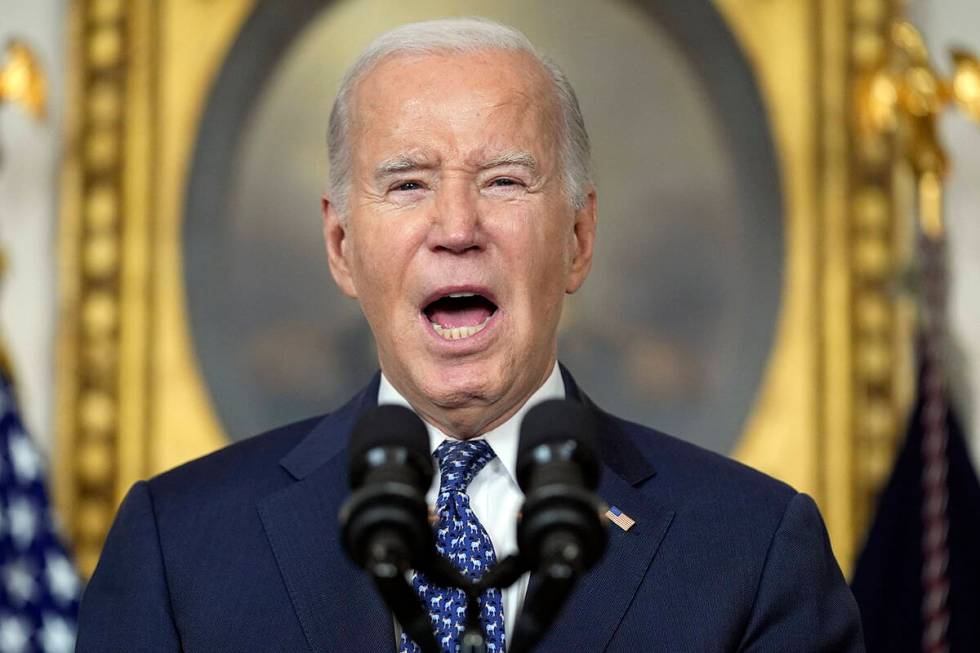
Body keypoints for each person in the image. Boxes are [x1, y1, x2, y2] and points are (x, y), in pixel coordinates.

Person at [76, 17, 864, 652]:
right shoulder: (177, 547)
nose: (457, 227)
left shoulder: (754, 553)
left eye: (505, 181)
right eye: (408, 182)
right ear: (342, 245)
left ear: (579, 239)